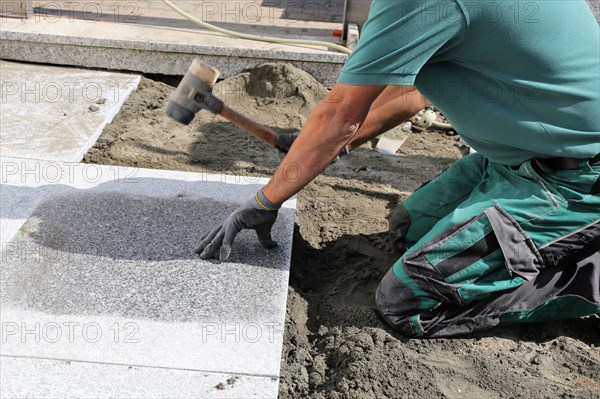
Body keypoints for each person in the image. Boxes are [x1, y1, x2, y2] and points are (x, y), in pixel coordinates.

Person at [195, 0, 600, 337]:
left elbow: (340, 114)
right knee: (408, 227)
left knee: (406, 301)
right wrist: (328, 143)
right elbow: (411, 93)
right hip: (516, 159)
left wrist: (265, 201)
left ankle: (588, 278)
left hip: (577, 180)